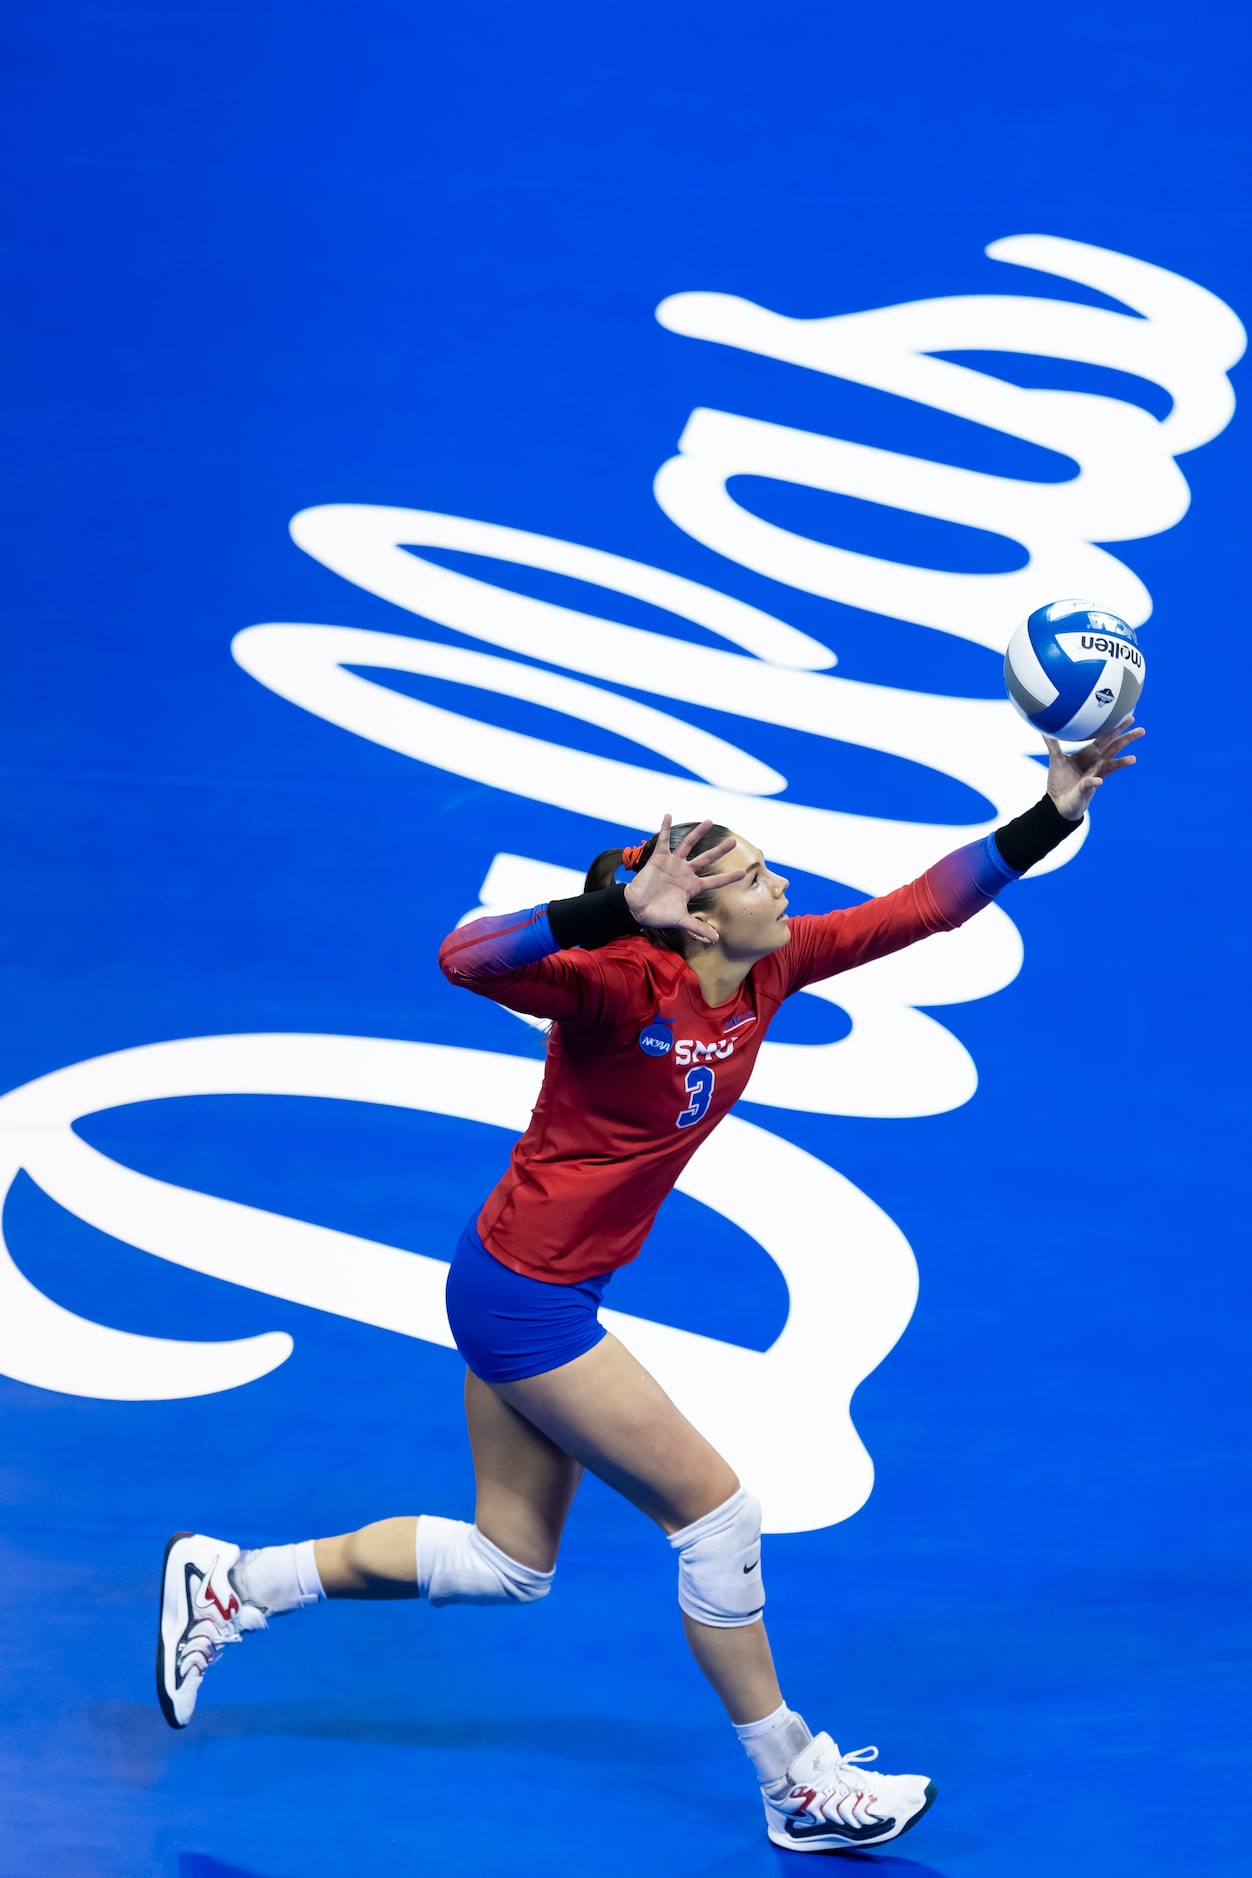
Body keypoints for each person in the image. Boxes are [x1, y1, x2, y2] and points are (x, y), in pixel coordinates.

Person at [156, 718, 1141, 1852]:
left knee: (505, 1564)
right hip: (523, 1296)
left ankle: (234, 1582)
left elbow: (921, 906)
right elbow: (465, 958)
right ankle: (795, 1784)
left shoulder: (774, 966)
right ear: (694, 917)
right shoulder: (617, 988)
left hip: (525, 1279)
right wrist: (611, 915)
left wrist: (1054, 808)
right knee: (716, 1515)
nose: (785, 885)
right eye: (758, 878)